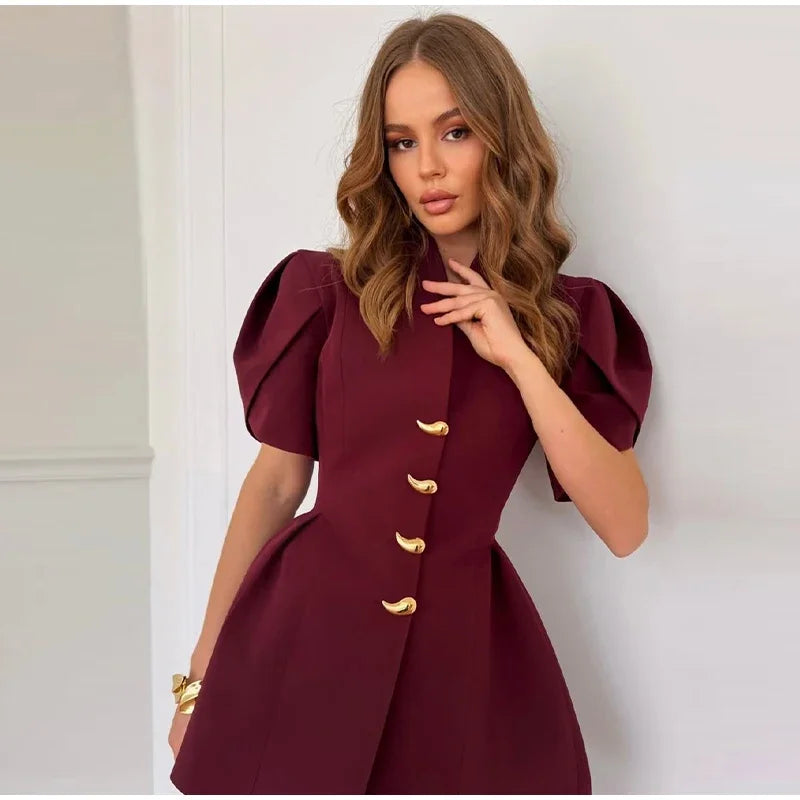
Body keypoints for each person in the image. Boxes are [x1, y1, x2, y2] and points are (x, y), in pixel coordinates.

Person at [168, 11, 653, 795]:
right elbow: (276, 485)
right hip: (303, 643)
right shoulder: (324, 293)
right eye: (401, 142)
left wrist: (521, 360)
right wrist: (199, 677)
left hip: (464, 668)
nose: (428, 167)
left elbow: (625, 527)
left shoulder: (570, 317)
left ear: (503, 137)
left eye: (455, 133)